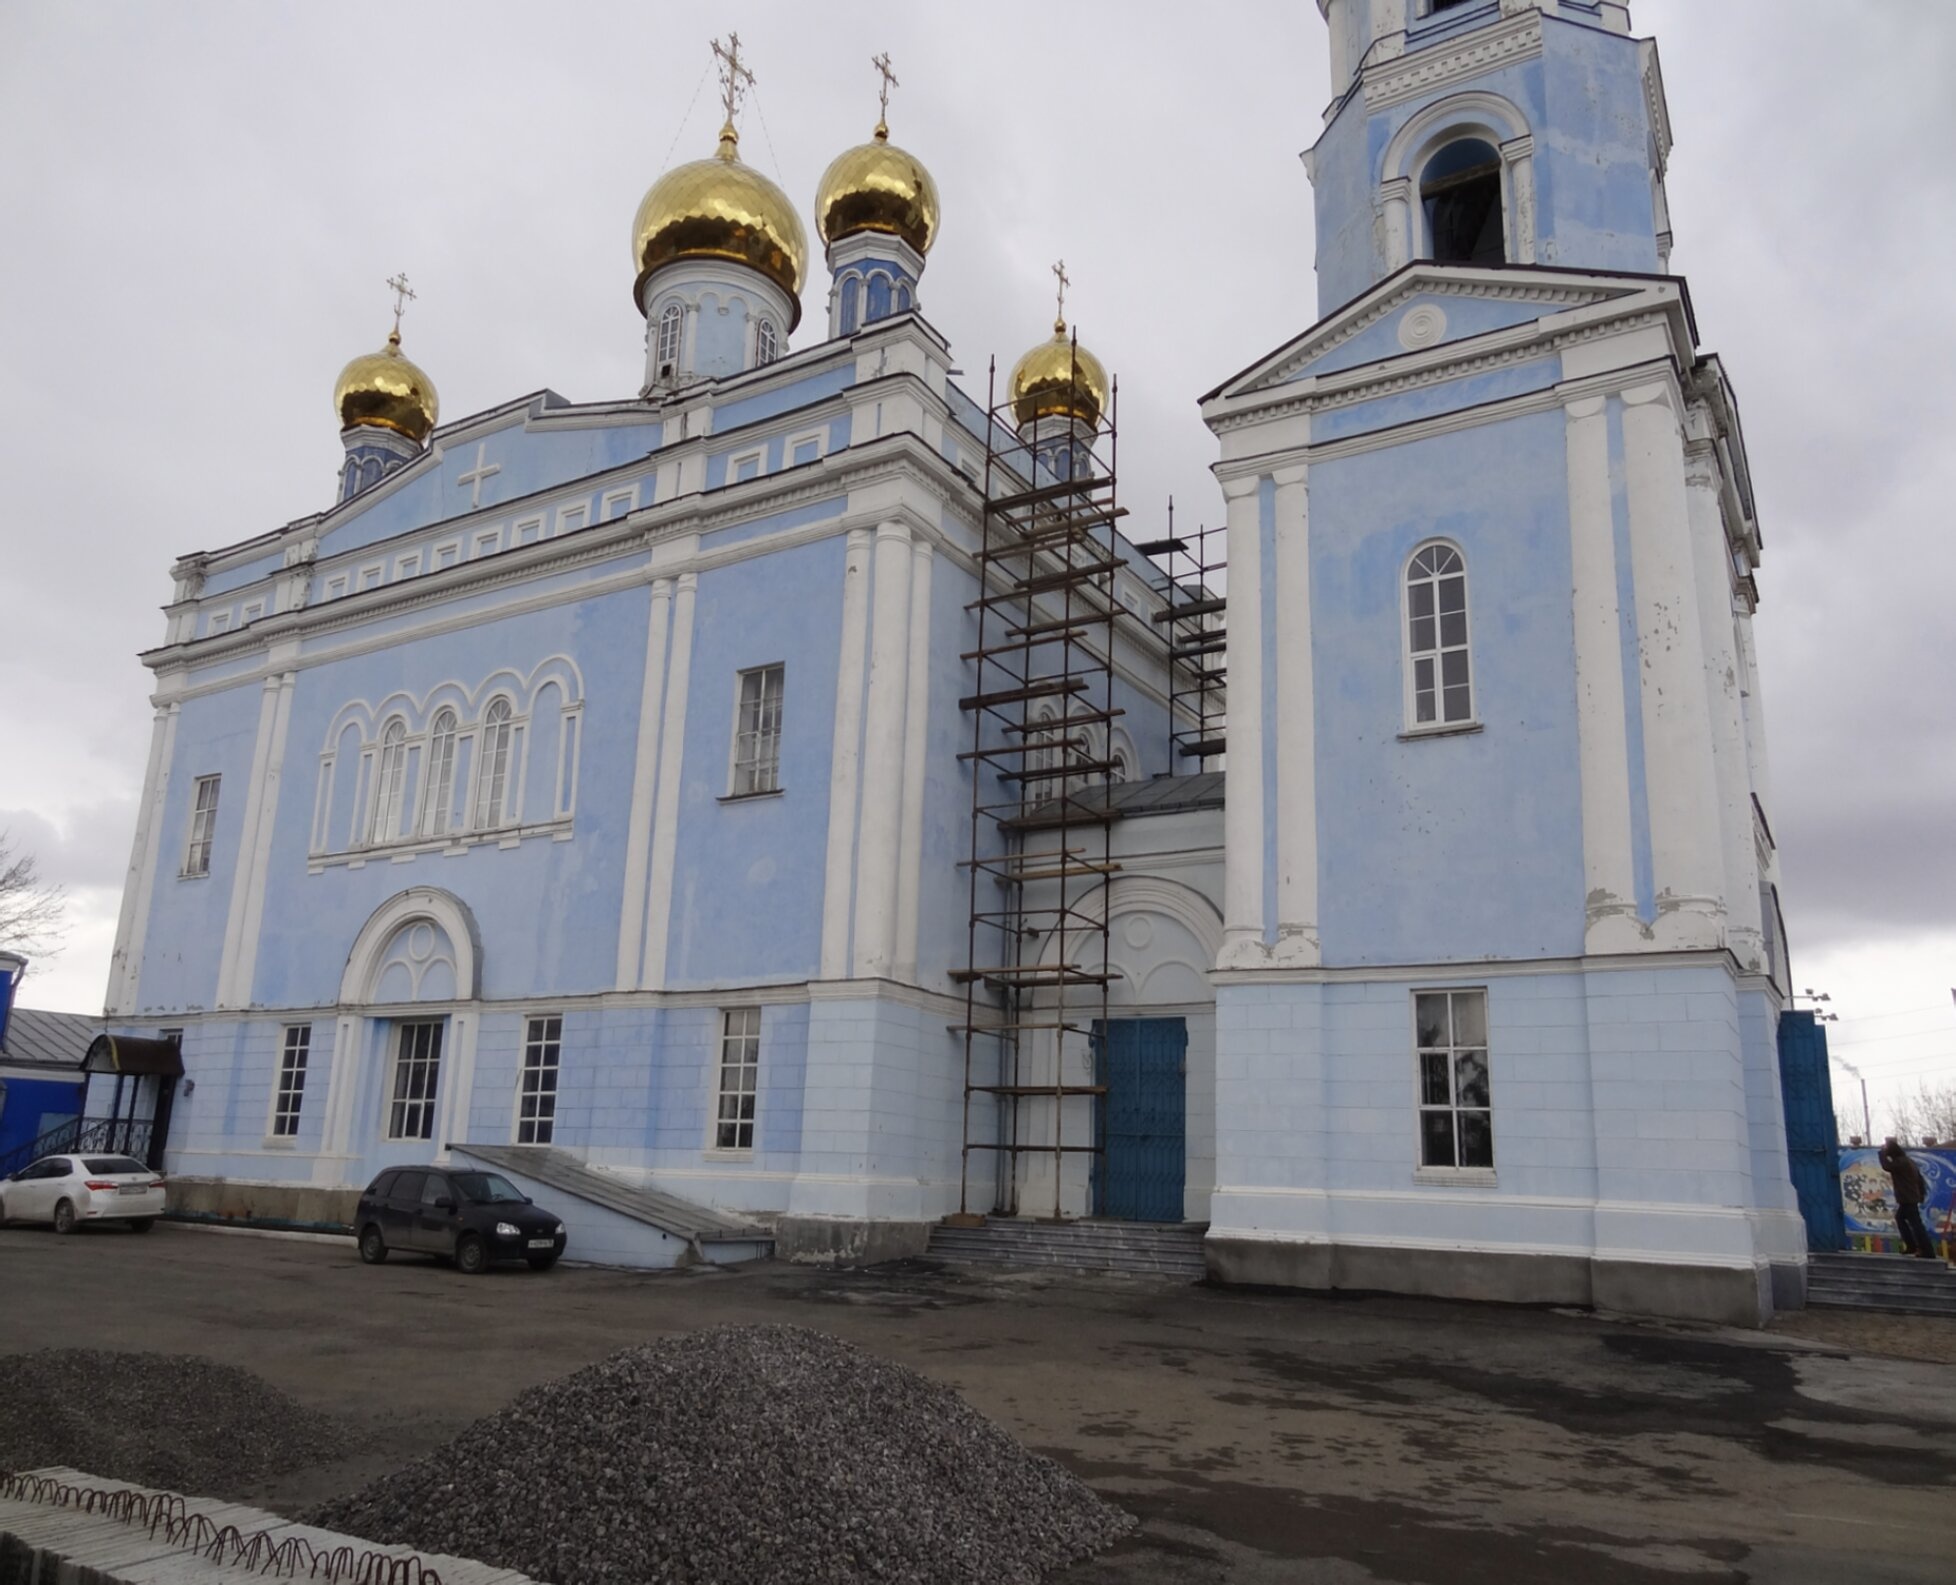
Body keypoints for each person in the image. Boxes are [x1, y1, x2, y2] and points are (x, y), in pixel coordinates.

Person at [1878, 1138, 1935, 1260]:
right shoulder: (1908, 1161)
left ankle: (1926, 1250)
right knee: (1903, 1219)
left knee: (1916, 1224)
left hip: (1907, 1198)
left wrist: (1881, 1153)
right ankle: (1913, 1246)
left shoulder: (1901, 1162)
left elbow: (1887, 1166)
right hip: (1909, 1197)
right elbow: (1919, 1180)